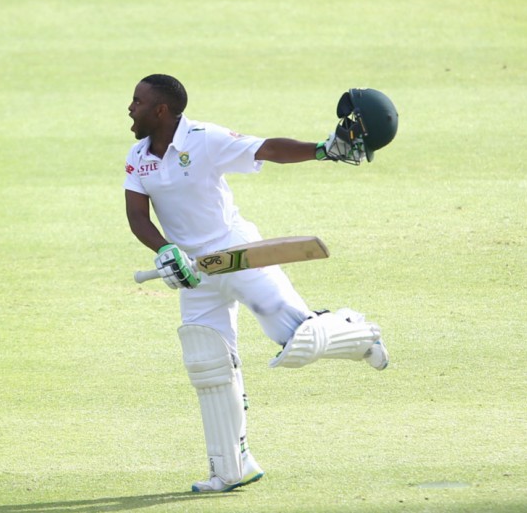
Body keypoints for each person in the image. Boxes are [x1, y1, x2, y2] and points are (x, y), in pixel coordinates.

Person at [123, 74, 391, 493]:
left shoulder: (203, 138)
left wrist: (324, 149)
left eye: (137, 102)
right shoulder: (138, 156)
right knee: (206, 363)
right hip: (196, 272)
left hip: (238, 253)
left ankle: (359, 334)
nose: (130, 108)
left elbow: (265, 148)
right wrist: (165, 251)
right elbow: (138, 216)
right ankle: (232, 468)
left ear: (161, 110)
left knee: (296, 338)